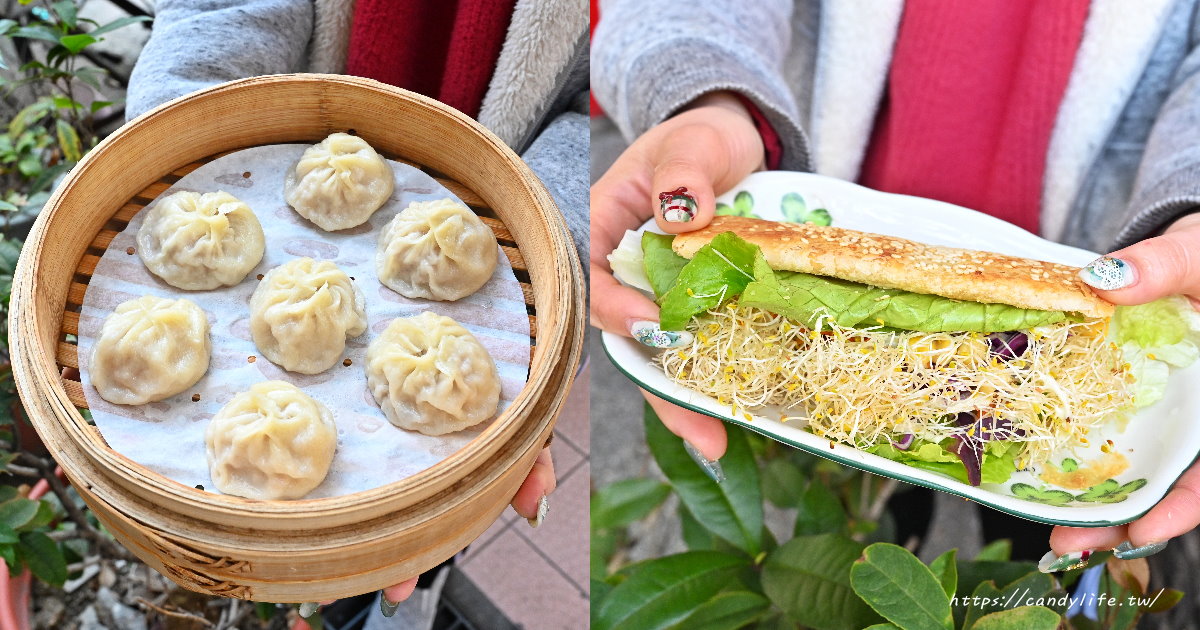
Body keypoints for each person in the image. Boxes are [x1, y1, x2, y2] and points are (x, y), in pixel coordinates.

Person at [591, 0, 1200, 572]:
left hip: (1087, 241)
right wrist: (711, 98)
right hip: (827, 204)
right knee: (887, 468)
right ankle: (896, 525)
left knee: (1016, 495)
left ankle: (1007, 571)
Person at [126, 0, 587, 625]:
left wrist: (562, 243)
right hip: (277, 120)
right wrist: (169, 137)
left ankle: (405, 599)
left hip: (524, 185)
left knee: (427, 526)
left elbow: (612, 102)